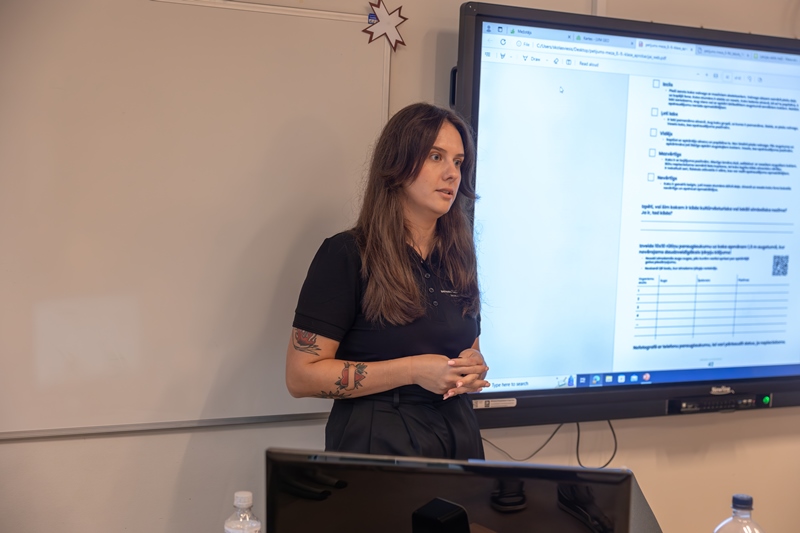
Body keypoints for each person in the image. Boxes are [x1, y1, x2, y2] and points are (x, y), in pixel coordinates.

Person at [285, 102, 489, 460]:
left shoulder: (459, 256)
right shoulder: (347, 254)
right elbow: (301, 376)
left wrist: (472, 364)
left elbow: (469, 345)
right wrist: (412, 370)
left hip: (458, 435)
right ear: (398, 164)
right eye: (436, 157)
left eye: (458, 162)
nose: (452, 174)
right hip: (378, 443)